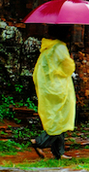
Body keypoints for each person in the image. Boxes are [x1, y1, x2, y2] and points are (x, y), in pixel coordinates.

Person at [30, 25, 76, 160]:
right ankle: (39, 142)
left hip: (49, 87)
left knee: (59, 118)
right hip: (59, 88)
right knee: (59, 120)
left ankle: (58, 152)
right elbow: (68, 68)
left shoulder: (47, 47)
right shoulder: (60, 47)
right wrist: (70, 60)